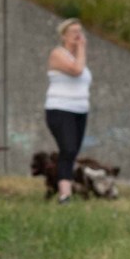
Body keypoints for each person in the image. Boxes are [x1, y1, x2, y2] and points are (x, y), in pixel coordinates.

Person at [44, 18, 91, 204]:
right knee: (68, 149)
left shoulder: (78, 57)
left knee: (73, 152)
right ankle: (64, 194)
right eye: (73, 32)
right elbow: (77, 70)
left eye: (80, 31)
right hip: (60, 109)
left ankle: (65, 186)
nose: (78, 36)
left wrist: (79, 51)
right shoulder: (58, 54)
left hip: (80, 110)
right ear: (64, 36)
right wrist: (82, 48)